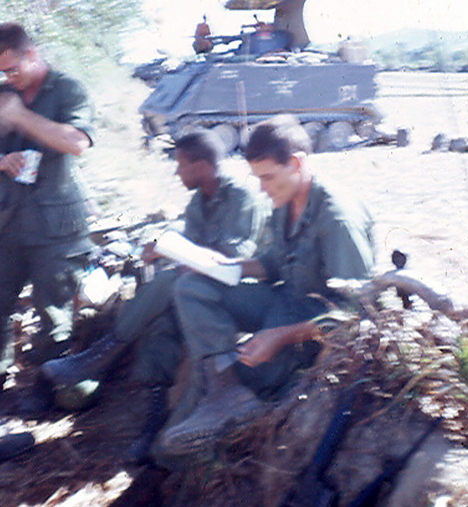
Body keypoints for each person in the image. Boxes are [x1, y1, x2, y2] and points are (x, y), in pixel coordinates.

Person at [42, 128, 269, 463]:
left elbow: (234, 257)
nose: (177, 172)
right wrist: (166, 248)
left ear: (202, 165)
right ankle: (154, 419)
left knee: (166, 283)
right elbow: (193, 249)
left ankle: (100, 356)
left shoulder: (242, 197)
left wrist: (180, 256)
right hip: (201, 290)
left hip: (243, 290)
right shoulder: (198, 202)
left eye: (181, 165)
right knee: (160, 324)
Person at [158, 114, 376, 457]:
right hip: (282, 301)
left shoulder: (337, 218)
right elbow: (277, 261)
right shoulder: (285, 198)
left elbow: (358, 315)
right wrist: (235, 266)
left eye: (268, 177)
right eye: (258, 178)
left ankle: (208, 442)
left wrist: (281, 336)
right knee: (192, 288)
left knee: (254, 372)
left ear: (297, 163)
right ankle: (225, 391)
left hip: (311, 323)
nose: (262, 188)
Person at [0, 23, 95, 408]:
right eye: (2, 73)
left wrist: (21, 118)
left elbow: (76, 142)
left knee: (53, 311)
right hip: (8, 222)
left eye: (12, 69)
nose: (8, 78)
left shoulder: (68, 90)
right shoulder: (5, 94)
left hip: (56, 226)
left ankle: (48, 386)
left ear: (33, 56)